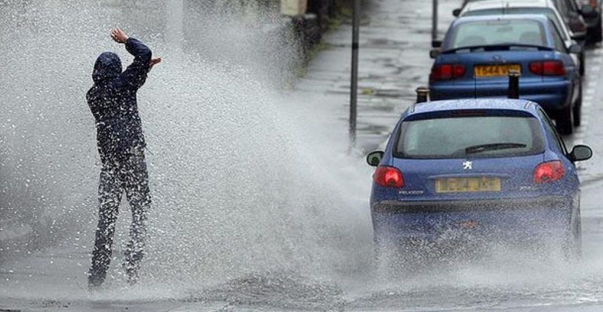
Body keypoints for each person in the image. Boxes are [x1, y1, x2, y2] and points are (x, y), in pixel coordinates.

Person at [87, 28, 161, 288]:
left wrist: (143, 71)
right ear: (117, 70)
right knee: (139, 213)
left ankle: (96, 280)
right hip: (132, 157)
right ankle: (132, 269)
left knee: (106, 221)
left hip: (110, 165)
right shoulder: (123, 85)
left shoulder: (93, 95)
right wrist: (126, 41)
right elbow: (144, 54)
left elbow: (127, 86)